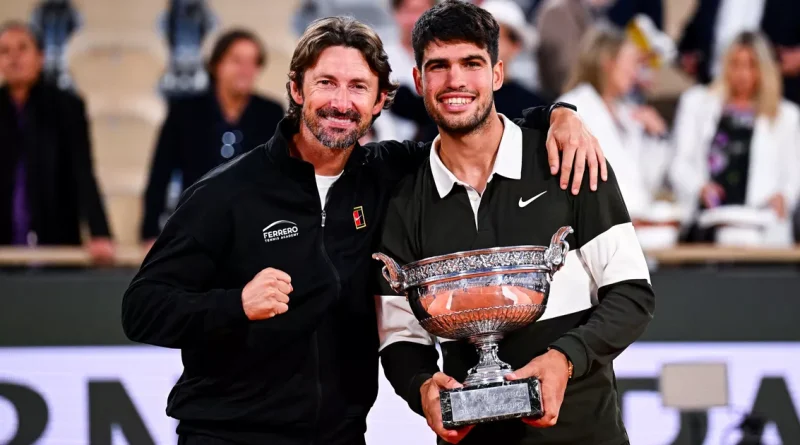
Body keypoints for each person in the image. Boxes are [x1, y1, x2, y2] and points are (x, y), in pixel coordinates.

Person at [120, 14, 605, 445]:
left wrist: (561, 115)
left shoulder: (392, 172)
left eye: (357, 87)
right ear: (296, 89)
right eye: (326, 83)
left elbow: (478, 125)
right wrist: (234, 304)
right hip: (227, 433)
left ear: (380, 101)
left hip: (342, 434)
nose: (341, 102)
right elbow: (142, 309)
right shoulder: (225, 193)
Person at [374, 2, 654, 445]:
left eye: (472, 63)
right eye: (439, 66)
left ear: (498, 73)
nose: (455, 81)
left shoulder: (570, 159)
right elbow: (399, 334)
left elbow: (631, 294)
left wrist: (565, 359)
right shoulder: (403, 198)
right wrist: (422, 388)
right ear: (418, 81)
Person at [140, 29, 285, 249]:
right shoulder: (185, 111)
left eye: (253, 62)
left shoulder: (270, 112)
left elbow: (279, 177)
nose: (246, 70)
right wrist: (149, 232)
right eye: (237, 61)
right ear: (216, 65)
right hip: (195, 225)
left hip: (253, 230)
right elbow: (161, 174)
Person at [669, 31, 800, 245]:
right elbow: (678, 163)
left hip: (761, 226)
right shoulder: (697, 103)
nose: (742, 74)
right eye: (736, 64)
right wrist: (699, 187)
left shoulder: (786, 115)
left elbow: (793, 175)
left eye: (751, 65)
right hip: (708, 223)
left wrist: (784, 197)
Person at [0, 21, 114, 263]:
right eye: (5, 51)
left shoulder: (66, 107)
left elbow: (83, 172)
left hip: (56, 241)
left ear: (40, 57)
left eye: (22, 49)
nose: (14, 58)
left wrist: (100, 232)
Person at [558, 25, 672, 224]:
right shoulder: (571, 109)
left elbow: (646, 182)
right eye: (631, 63)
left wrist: (657, 136)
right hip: (592, 227)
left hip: (634, 225)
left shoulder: (629, 115)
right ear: (608, 63)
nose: (636, 73)